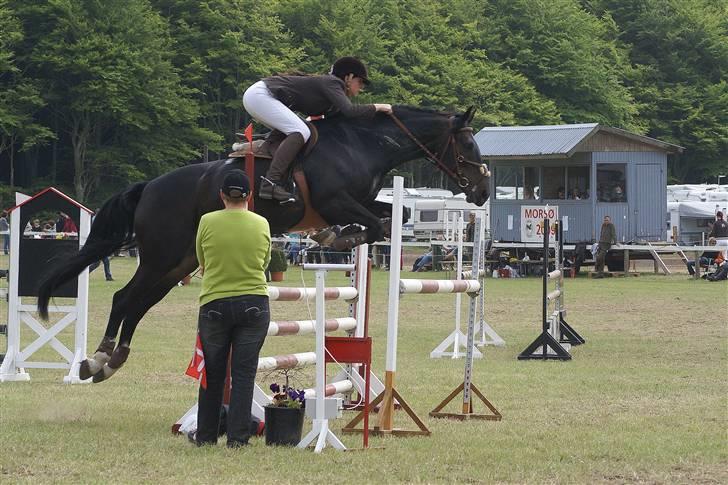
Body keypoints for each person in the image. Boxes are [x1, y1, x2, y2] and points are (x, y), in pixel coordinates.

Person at [191, 169, 272, 448]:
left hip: (214, 303)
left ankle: (205, 436)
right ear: (249, 195)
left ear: (221, 196)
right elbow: (264, 261)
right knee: (244, 374)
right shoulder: (262, 223)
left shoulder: (207, 221)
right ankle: (238, 439)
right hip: (254, 303)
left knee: (212, 376)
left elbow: (201, 259)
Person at [242, 57, 393, 202]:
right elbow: (350, 110)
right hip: (260, 96)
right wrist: (378, 107)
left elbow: (340, 118)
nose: (361, 88)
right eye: (359, 82)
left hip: (261, 97)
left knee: (300, 129)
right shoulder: (332, 82)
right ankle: (270, 182)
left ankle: (267, 153)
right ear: (349, 77)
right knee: (301, 131)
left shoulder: (332, 90)